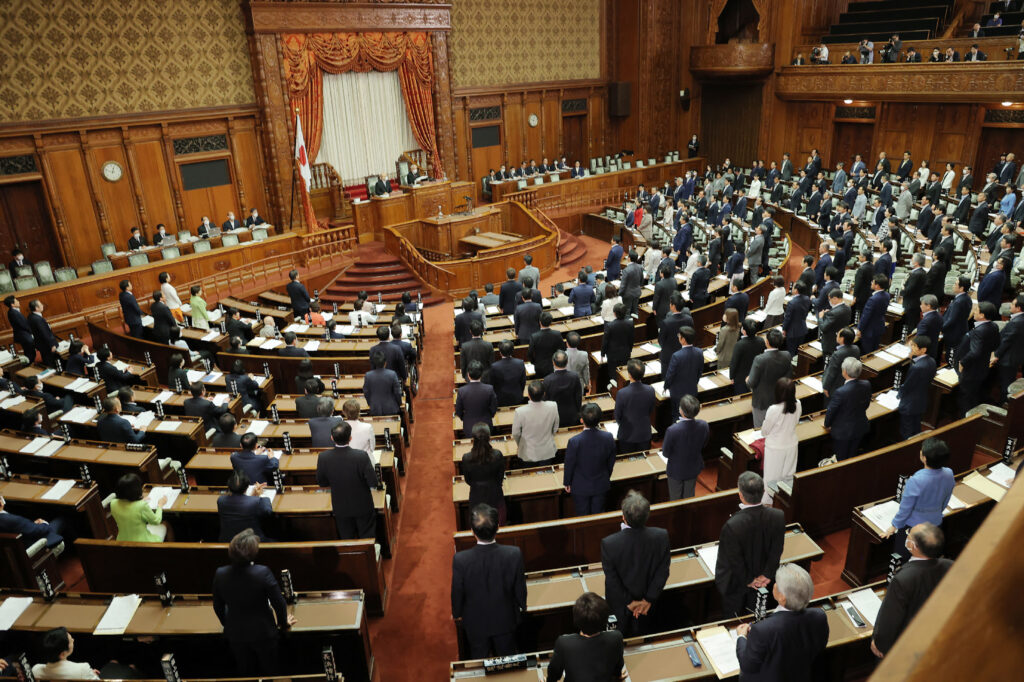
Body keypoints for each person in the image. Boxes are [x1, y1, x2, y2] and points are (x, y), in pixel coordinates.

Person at [213, 529, 294, 675]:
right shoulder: (262, 572)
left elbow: (218, 606)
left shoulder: (220, 573)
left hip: (236, 634)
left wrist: (228, 624)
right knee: (271, 670)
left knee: (246, 672)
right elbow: (279, 603)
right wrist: (283, 623)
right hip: (263, 633)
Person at [451, 504, 527, 658]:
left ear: (472, 531)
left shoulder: (461, 560)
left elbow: (457, 591)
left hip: (475, 622)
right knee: (508, 662)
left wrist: (457, 613)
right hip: (506, 619)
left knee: (480, 662)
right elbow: (520, 588)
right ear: (498, 527)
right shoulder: (513, 554)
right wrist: (522, 606)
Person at [871, 522, 953, 658]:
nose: (906, 535)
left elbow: (891, 618)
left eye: (909, 534)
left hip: (905, 646)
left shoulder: (903, 579)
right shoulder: (950, 565)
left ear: (913, 546)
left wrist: (880, 644)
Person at [735, 563, 829, 681]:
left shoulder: (762, 630)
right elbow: (819, 647)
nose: (774, 585)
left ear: (782, 598)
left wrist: (741, 637)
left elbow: (748, 666)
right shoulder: (819, 616)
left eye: (777, 583)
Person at [600, 491, 670, 636]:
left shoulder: (609, 543)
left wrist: (630, 602)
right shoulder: (661, 536)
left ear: (623, 517)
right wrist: (647, 600)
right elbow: (663, 571)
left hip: (620, 605)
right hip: (649, 605)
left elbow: (612, 579)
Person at [716, 471, 785, 616]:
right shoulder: (778, 516)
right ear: (764, 491)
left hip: (737, 587)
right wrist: (767, 574)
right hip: (766, 582)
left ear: (740, 494)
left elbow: (734, 559)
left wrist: (750, 580)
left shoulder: (732, 525)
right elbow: (777, 549)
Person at [883, 438, 956, 560]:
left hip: (913, 527)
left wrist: (894, 526)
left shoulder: (916, 480)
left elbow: (905, 508)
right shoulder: (949, 473)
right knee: (928, 556)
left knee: (903, 556)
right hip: (935, 523)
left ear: (924, 458)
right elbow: (946, 499)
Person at [316, 422, 379, 540]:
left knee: (346, 539)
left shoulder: (323, 457)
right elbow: (373, 482)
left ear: (332, 438)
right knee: (367, 538)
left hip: (340, 507)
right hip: (363, 505)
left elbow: (322, 482)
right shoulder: (361, 456)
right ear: (350, 438)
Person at [546, 592, 625, 682]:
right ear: (605, 620)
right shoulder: (616, 638)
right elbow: (617, 667)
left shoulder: (564, 643)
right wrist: (617, 676)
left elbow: (554, 673)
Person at [562, 402, 617, 516]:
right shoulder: (608, 437)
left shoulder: (574, 441)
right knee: (599, 517)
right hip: (601, 484)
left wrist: (567, 482)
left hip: (580, 486)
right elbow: (611, 461)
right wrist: (606, 475)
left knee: (583, 517)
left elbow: (569, 464)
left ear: (581, 420)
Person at [661, 395, 710, 500]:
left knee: (675, 500)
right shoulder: (704, 425)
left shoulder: (672, 430)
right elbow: (704, 444)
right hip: (693, 466)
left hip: (676, 470)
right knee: (689, 497)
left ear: (681, 411)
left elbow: (665, 453)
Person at [956, 302, 1000, 415]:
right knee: (973, 395)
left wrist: (963, 362)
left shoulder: (979, 331)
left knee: (965, 398)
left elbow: (975, 352)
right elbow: (996, 344)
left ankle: (965, 422)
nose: (974, 311)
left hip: (971, 371)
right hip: (982, 368)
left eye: (976, 310)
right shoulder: (994, 326)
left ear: (982, 315)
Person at [761, 378, 801, 502]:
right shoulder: (798, 403)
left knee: (771, 480)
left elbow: (764, 431)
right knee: (787, 478)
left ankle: (767, 504)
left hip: (775, 448)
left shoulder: (774, 409)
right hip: (791, 445)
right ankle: (783, 504)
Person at [824, 357, 871, 461]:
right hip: (860, 427)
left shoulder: (841, 392)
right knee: (852, 456)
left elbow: (831, 411)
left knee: (842, 459)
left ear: (844, 372)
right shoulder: (866, 384)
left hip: (843, 432)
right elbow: (866, 404)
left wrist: (827, 424)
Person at [462, 423, 507, 524]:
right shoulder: (497, 455)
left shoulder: (466, 458)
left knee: (479, 526)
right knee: (497, 524)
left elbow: (468, 480)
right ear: (489, 437)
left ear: (473, 439)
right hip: (495, 494)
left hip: (476, 496)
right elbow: (500, 477)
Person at [747, 329, 792, 428]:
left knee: (760, 431)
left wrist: (747, 379)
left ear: (767, 342)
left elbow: (751, 383)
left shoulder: (760, 359)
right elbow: (789, 377)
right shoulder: (787, 355)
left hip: (762, 402)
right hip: (780, 399)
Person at [898, 336, 937, 439]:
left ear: (923, 350)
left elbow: (908, 384)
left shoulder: (917, 367)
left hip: (910, 404)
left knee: (907, 431)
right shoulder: (932, 361)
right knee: (916, 429)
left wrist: (899, 394)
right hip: (921, 401)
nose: (912, 348)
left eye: (915, 346)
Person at [512, 381, 560, 466]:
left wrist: (520, 445)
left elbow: (516, 433)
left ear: (528, 395)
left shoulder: (520, 411)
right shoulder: (553, 406)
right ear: (544, 394)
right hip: (547, 450)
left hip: (528, 452)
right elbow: (556, 427)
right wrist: (549, 436)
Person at [614, 359, 657, 454]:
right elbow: (651, 410)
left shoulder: (622, 393)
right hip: (644, 433)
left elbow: (617, 416)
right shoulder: (650, 390)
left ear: (629, 375)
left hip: (627, 435)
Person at [218, 470, 272, 541]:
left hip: (228, 541)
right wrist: (261, 494)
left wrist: (253, 496)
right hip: (251, 542)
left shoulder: (221, 500)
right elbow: (267, 511)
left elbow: (241, 504)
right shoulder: (256, 502)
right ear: (247, 487)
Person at [110, 473, 166, 542]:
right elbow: (156, 521)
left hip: (122, 542)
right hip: (143, 542)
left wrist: (139, 500)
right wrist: (160, 505)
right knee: (166, 524)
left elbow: (129, 513)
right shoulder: (141, 505)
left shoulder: (113, 503)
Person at [30, 627, 100, 680]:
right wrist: (90, 674)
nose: (73, 640)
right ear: (62, 654)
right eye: (70, 641)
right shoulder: (83, 669)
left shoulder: (36, 670)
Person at [0, 493, 65, 549]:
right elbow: (40, 531)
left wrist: (31, 525)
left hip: (8, 554)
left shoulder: (10, 520)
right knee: (63, 518)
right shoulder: (12, 520)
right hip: (32, 546)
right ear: (1, 502)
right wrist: (44, 523)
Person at [664, 325, 702, 412]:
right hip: (692, 390)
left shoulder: (676, 356)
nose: (678, 337)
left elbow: (670, 375)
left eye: (679, 336)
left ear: (683, 340)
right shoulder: (699, 352)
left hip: (678, 394)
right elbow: (699, 372)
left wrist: (666, 386)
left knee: (677, 415)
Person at [455, 360, 498, 437]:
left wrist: (465, 418)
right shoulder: (489, 389)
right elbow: (494, 407)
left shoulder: (462, 391)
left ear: (468, 375)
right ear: (481, 375)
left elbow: (458, 411)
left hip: (469, 427)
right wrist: (489, 415)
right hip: (486, 425)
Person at [543, 351, 583, 427]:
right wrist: (578, 412)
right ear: (567, 362)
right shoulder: (574, 377)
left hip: (554, 416)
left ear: (553, 363)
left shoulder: (547, 380)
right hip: (572, 415)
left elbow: (546, 400)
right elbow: (578, 397)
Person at [857, 274, 890, 354]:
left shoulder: (873, 299)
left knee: (866, 353)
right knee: (874, 350)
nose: (871, 283)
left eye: (873, 282)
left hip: (869, 330)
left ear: (877, 285)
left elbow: (866, 316)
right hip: (879, 326)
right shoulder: (887, 295)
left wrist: (860, 329)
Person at [731, 318, 765, 395]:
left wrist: (731, 376)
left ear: (744, 331)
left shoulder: (739, 344)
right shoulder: (761, 341)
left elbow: (734, 362)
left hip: (741, 378)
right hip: (756, 374)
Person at [363, 350, 402, 416]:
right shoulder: (392, 374)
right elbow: (397, 392)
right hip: (391, 408)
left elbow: (366, 392)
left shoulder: (368, 375)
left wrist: (371, 403)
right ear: (385, 363)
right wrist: (399, 403)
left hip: (375, 409)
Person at [529, 312, 565, 378]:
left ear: (540, 322)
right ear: (550, 322)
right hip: (554, 365)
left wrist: (534, 362)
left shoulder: (534, 336)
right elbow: (563, 349)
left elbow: (530, 353)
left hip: (539, 366)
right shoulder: (557, 334)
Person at [491, 340, 527, 407]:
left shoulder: (494, 366)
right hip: (517, 396)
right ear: (512, 351)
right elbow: (523, 382)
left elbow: (493, 384)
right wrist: (519, 392)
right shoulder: (520, 363)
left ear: (500, 353)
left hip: (501, 398)